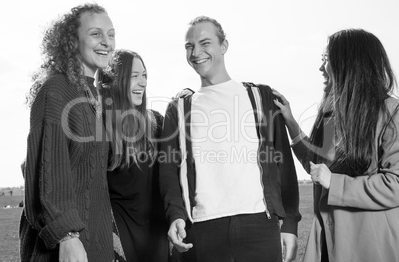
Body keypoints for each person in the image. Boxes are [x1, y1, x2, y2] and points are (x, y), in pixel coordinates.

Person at [159, 16, 301, 262]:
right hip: (202, 229)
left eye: (205, 43)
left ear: (224, 46)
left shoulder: (262, 97)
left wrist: (289, 222)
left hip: (259, 225)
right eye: (189, 46)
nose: (196, 52)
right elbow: (169, 172)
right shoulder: (179, 108)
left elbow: (283, 164)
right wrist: (176, 216)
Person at [273, 29, 399, 262]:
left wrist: (334, 183)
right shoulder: (332, 116)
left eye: (326, 59)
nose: (321, 68)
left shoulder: (393, 112)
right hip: (326, 242)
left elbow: (395, 184)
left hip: (369, 247)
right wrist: (290, 122)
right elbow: (318, 164)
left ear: (350, 62)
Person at [20, 3, 116, 261]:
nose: (106, 42)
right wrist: (67, 236)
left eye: (111, 34)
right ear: (72, 42)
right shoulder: (56, 90)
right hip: (65, 247)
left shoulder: (92, 94)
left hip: (94, 243)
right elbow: (48, 172)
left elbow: (90, 178)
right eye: (96, 33)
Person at [102, 49, 169, 262]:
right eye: (134, 76)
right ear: (116, 80)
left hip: (157, 234)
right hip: (120, 234)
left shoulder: (156, 122)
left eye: (145, 75)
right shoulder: (100, 127)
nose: (142, 83)